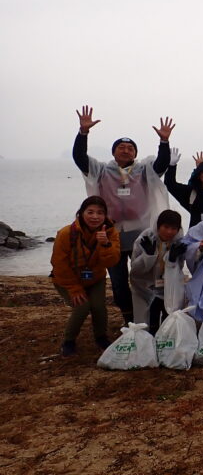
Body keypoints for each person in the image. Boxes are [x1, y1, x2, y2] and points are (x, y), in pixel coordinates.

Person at [73, 106, 174, 326]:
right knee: (118, 283)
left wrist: (164, 142)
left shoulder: (143, 169)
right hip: (112, 236)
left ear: (135, 153)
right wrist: (83, 133)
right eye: (121, 147)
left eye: (130, 148)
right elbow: (79, 158)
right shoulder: (101, 170)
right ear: (114, 152)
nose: (126, 150)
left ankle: (147, 317)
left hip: (141, 235)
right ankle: (129, 320)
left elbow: (161, 164)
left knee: (146, 279)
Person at [51, 196, 121, 357]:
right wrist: (75, 289)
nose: (95, 217)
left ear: (105, 215)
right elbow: (59, 264)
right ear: (81, 213)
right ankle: (69, 341)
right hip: (67, 280)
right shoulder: (66, 233)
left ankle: (101, 337)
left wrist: (105, 244)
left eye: (100, 213)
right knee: (82, 306)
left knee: (98, 306)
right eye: (90, 212)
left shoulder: (110, 232)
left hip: (95, 278)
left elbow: (112, 261)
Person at [130, 210, 187, 333]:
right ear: (158, 226)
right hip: (146, 287)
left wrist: (172, 260)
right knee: (149, 322)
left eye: (173, 228)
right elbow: (135, 272)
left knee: (168, 319)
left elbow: (178, 269)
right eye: (165, 227)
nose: (169, 232)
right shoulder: (145, 239)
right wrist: (148, 256)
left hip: (167, 288)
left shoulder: (178, 242)